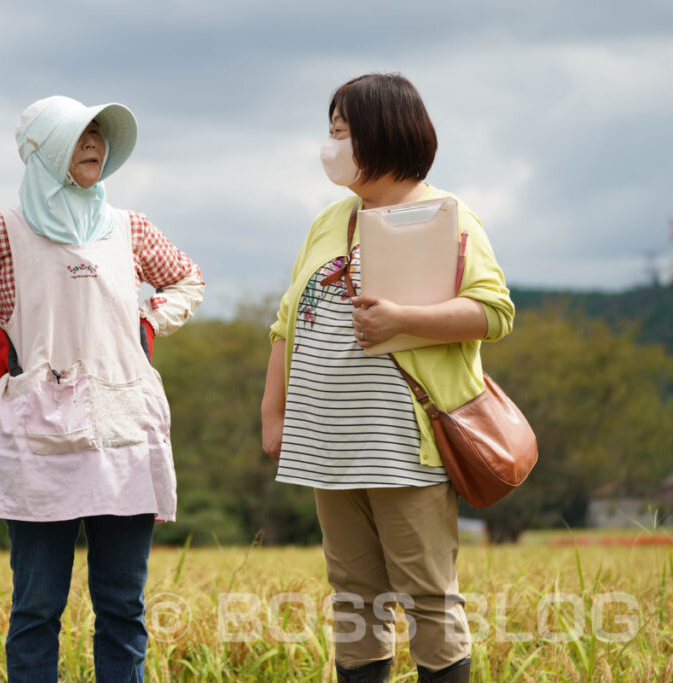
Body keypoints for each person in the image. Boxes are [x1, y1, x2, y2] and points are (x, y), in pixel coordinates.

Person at [0, 95, 204, 682]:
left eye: (98, 133)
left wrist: (150, 322)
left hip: (123, 426)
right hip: (40, 431)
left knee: (123, 607)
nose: (94, 143)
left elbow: (187, 278)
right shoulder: (2, 231)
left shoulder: (129, 227)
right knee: (37, 607)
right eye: (78, 135)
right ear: (43, 150)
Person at [260, 73, 514, 683]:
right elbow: (286, 323)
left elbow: (494, 312)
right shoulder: (329, 221)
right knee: (352, 594)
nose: (331, 145)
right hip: (328, 440)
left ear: (383, 134)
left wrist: (406, 319)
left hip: (403, 443)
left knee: (427, 593)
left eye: (342, 132)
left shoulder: (448, 217)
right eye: (330, 131)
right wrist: (275, 413)